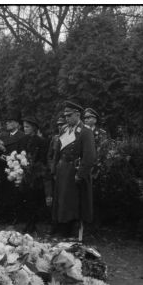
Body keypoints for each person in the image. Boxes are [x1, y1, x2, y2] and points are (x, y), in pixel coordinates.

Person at [51, 101, 96, 240]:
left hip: (74, 171)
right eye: (65, 116)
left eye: (69, 115)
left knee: (72, 202)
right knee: (61, 200)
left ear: (77, 114)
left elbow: (90, 156)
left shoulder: (85, 132)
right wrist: (54, 169)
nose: (66, 118)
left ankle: (71, 232)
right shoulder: (64, 130)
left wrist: (80, 174)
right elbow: (57, 151)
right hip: (62, 170)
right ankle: (61, 229)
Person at [20, 116, 51, 234]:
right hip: (25, 173)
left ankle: (32, 224)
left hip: (36, 174)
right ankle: (28, 223)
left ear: (34, 128)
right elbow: (20, 154)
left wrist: (32, 167)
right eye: (24, 127)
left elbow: (43, 159)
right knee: (27, 200)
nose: (25, 129)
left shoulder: (41, 141)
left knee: (34, 200)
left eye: (27, 127)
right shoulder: (23, 139)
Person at [0, 110, 27, 224]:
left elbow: (23, 153)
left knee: (15, 193)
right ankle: (6, 217)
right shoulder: (4, 136)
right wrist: (0, 156)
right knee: (5, 193)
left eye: (11, 122)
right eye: (7, 122)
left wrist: (13, 159)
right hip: (4, 168)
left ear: (17, 124)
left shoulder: (22, 136)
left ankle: (16, 217)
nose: (8, 124)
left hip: (16, 168)